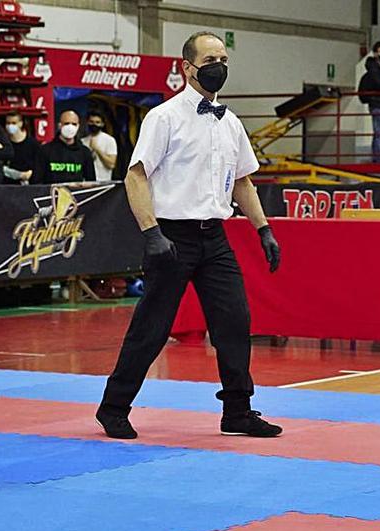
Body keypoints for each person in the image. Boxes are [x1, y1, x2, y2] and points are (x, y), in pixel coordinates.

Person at [97, 31, 283, 440]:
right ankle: (113, 407)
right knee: (153, 327)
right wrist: (151, 233)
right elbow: (136, 176)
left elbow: (244, 183)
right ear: (187, 67)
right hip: (171, 237)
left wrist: (263, 229)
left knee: (235, 321)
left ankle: (237, 410)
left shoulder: (231, 122)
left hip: (215, 237)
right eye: (210, 59)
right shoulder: (163, 118)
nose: (219, 66)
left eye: (223, 59)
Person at [33, 110, 96, 185]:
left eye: (74, 124)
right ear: (60, 125)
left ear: (78, 126)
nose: (70, 127)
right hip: (52, 195)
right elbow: (36, 182)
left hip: (76, 195)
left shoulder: (85, 152)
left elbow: (91, 183)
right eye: (66, 123)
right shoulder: (45, 150)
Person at [3, 110, 38, 184]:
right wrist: (20, 175)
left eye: (14, 123)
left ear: (21, 123)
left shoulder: (33, 144)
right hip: (8, 185)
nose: (10, 126)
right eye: (8, 123)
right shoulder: (3, 143)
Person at [84, 112, 119, 181]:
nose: (94, 125)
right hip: (86, 183)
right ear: (87, 122)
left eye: (97, 122)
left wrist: (97, 149)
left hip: (104, 182)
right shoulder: (82, 141)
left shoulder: (109, 140)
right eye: (91, 122)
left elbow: (111, 164)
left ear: (102, 124)